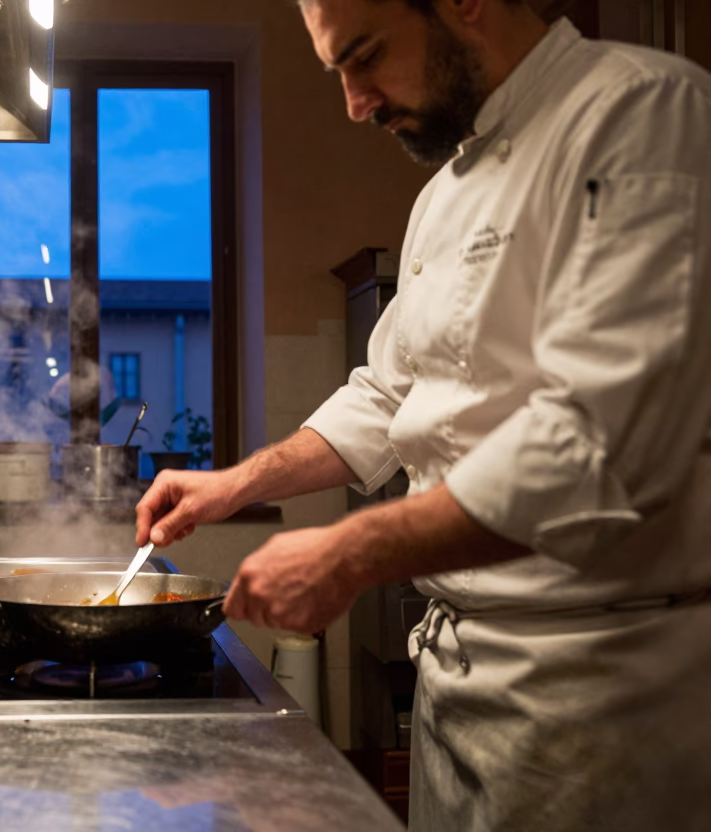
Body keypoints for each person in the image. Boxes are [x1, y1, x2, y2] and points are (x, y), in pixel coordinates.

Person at [133, 0, 711, 829]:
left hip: (600, 696)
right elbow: (386, 395)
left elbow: (599, 448)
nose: (354, 102)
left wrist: (348, 551)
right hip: (454, 684)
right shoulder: (441, 194)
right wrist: (230, 486)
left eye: (363, 56)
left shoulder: (645, 114)